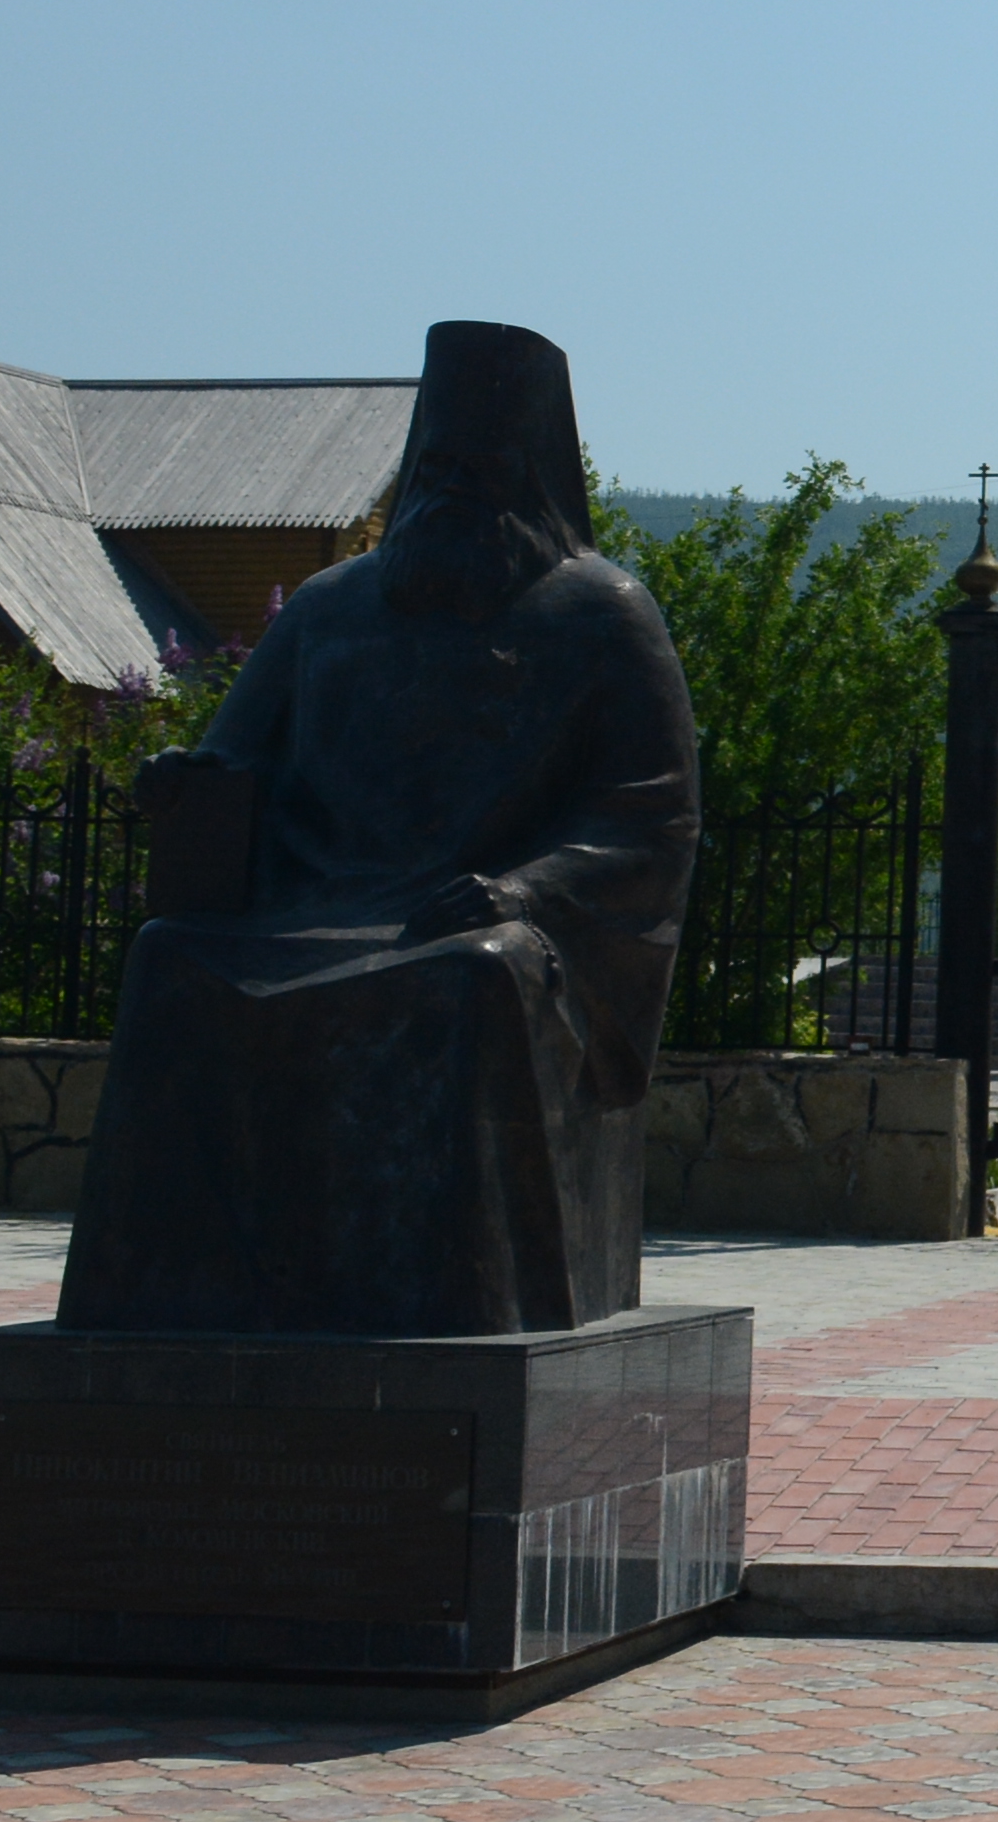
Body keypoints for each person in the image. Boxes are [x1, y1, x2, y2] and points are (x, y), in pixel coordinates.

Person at [53, 321, 699, 1337]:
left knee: (478, 975)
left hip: (481, 917)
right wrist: (185, 786)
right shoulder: (327, 607)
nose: (453, 490)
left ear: (531, 477)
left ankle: (461, 1307)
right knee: (170, 958)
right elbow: (238, 761)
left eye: (482, 469)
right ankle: (161, 1301)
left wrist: (526, 889)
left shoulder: (602, 614)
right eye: (436, 467)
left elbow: (649, 816)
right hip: (316, 904)